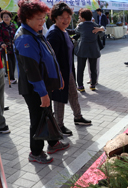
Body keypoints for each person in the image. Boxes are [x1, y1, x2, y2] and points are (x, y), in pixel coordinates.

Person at [14, 0, 70, 163]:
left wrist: (57, 78)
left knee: (46, 114)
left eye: (43, 17)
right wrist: (43, 93)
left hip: (43, 87)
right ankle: (36, 153)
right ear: (27, 18)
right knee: (37, 119)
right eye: (39, 18)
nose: (42, 21)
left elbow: (48, 57)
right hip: (34, 89)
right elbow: (32, 71)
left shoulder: (34, 32)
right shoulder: (25, 38)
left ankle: (53, 143)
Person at [46, 2, 92, 135]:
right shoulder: (53, 34)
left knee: (73, 94)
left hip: (68, 71)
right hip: (59, 74)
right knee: (60, 98)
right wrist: (58, 76)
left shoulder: (63, 31)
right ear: (54, 18)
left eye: (68, 17)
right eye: (62, 17)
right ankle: (58, 125)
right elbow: (51, 59)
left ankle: (78, 117)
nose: (66, 20)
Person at [74, 8, 105, 92]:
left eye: (80, 17)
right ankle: (93, 85)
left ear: (83, 18)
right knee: (93, 68)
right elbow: (102, 32)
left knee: (80, 69)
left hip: (82, 49)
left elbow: (76, 32)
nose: (79, 18)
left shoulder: (81, 25)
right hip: (93, 49)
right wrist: (100, 29)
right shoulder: (95, 25)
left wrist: (78, 25)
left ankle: (80, 86)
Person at [0, 10, 17, 83]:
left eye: (7, 16)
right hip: (4, 47)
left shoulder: (13, 25)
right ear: (2, 18)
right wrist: (1, 43)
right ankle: (11, 78)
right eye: (4, 17)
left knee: (13, 62)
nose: (6, 18)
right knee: (9, 63)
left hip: (13, 47)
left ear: (10, 17)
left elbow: (16, 35)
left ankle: (12, 77)